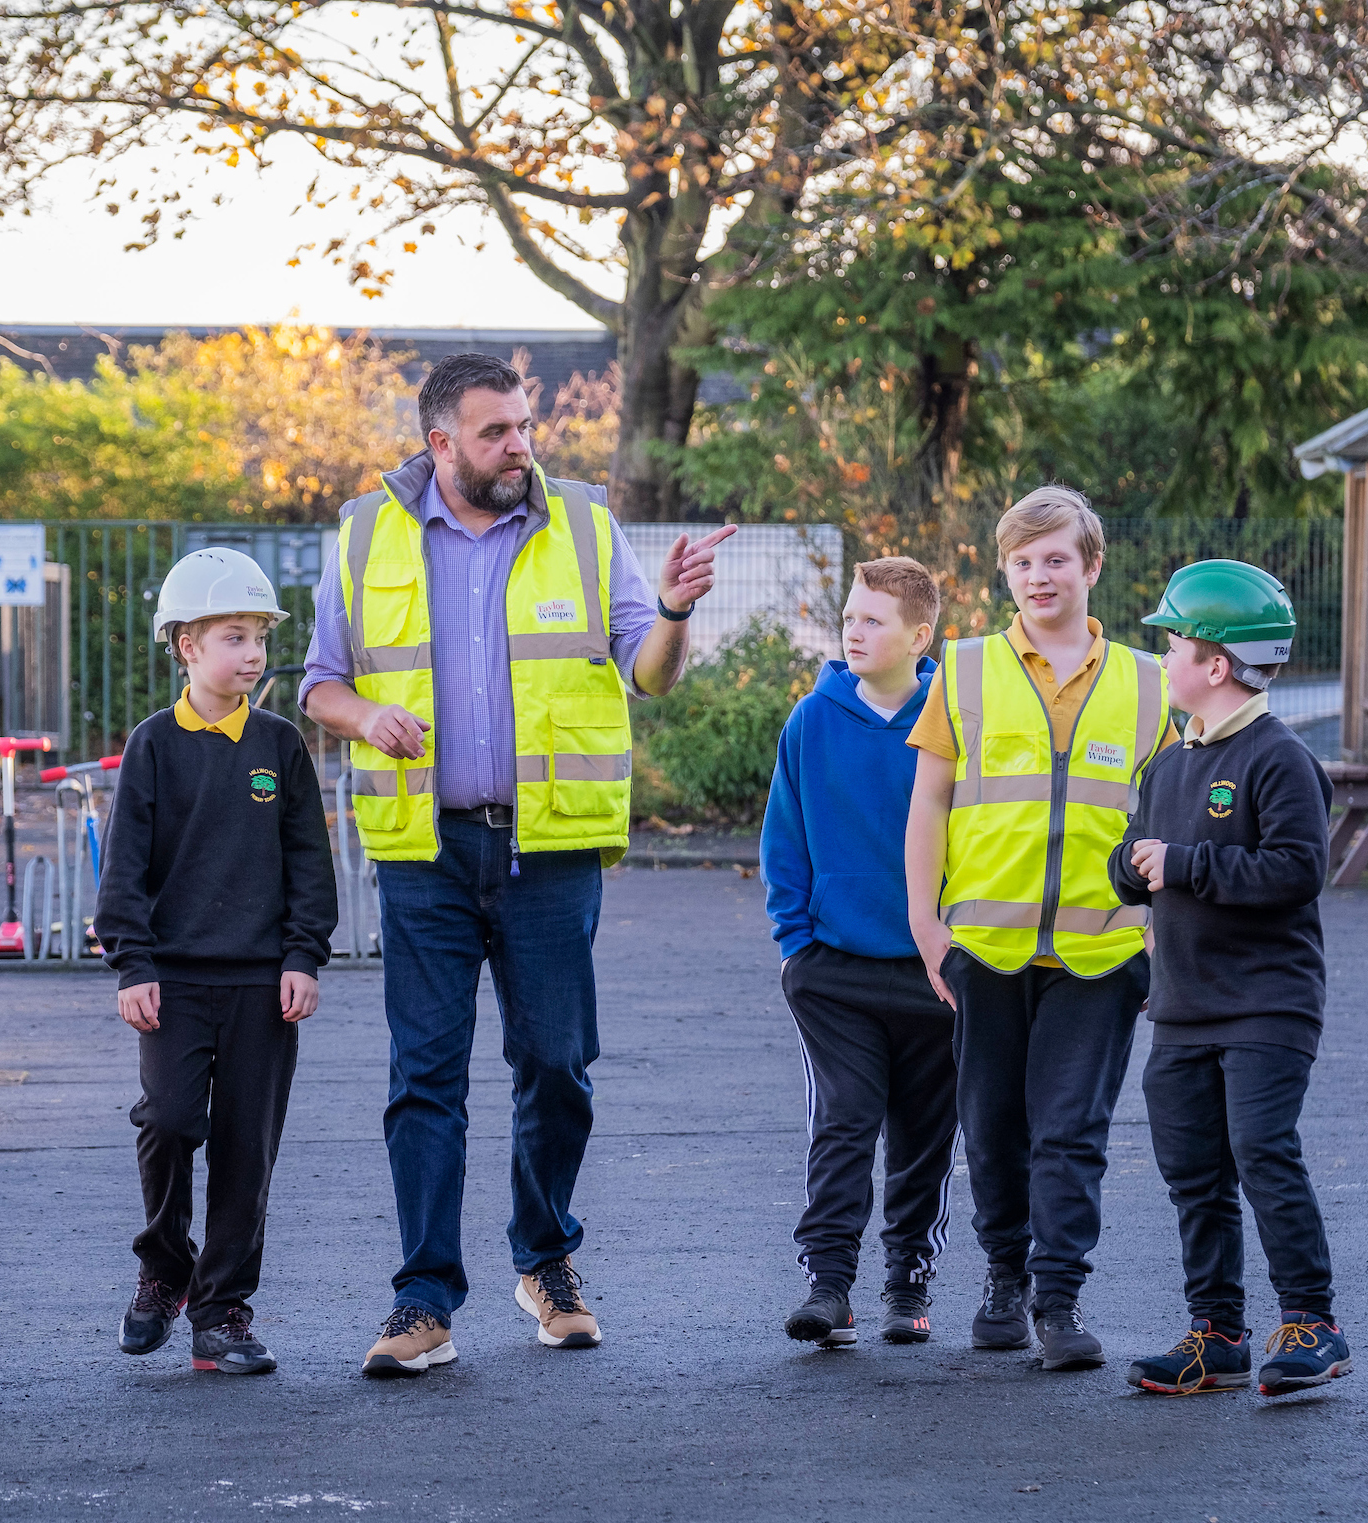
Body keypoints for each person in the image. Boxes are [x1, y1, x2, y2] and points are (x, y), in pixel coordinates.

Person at [300, 351, 733, 1379]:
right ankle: (423, 1299)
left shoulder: (582, 523)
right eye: (496, 432)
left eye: (526, 427)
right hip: (426, 850)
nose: (521, 447)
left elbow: (649, 675)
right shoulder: (366, 533)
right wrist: (370, 714)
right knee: (426, 1076)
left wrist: (671, 613)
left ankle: (545, 1261)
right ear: (439, 442)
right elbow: (322, 683)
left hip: (552, 846)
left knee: (555, 1065)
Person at [903, 486, 1174, 1370]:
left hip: (1101, 948)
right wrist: (924, 922)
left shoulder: (1148, 682)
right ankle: (1003, 1284)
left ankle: (1059, 1302)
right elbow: (930, 804)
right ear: (1005, 572)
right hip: (985, 942)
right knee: (991, 1126)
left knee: (1070, 1131)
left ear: (1092, 566)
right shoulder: (968, 667)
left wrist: (1164, 940)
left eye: (1056, 557)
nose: (1039, 575)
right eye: (1022, 561)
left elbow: (1174, 821)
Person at [1109, 560, 1351, 1397]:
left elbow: (1294, 870)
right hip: (1181, 1004)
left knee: (1261, 1150)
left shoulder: (1280, 759)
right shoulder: (1169, 761)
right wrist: (1131, 870)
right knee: (1193, 1169)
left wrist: (1186, 864)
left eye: (1173, 641)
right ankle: (1217, 1333)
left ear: (1216, 665)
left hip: (1265, 1004)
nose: (1164, 656)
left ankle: (1312, 1323)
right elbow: (1142, 854)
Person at [96, 548, 338, 1376]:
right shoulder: (153, 746)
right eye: (233, 636)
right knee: (167, 1121)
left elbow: (310, 862)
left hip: (263, 986)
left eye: (260, 638)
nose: (252, 654)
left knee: (246, 1148)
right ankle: (165, 1268)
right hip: (173, 980)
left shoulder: (280, 743)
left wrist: (304, 955)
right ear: (185, 645)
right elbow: (124, 869)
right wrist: (133, 966)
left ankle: (223, 1311)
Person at [761, 557, 957, 1349]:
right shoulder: (811, 720)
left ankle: (907, 1278)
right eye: (849, 616)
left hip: (933, 970)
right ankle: (829, 1283)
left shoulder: (955, 719)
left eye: (873, 620)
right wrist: (797, 945)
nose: (853, 630)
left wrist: (957, 942)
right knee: (844, 1122)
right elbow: (785, 841)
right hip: (832, 971)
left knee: (924, 1133)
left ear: (920, 634)